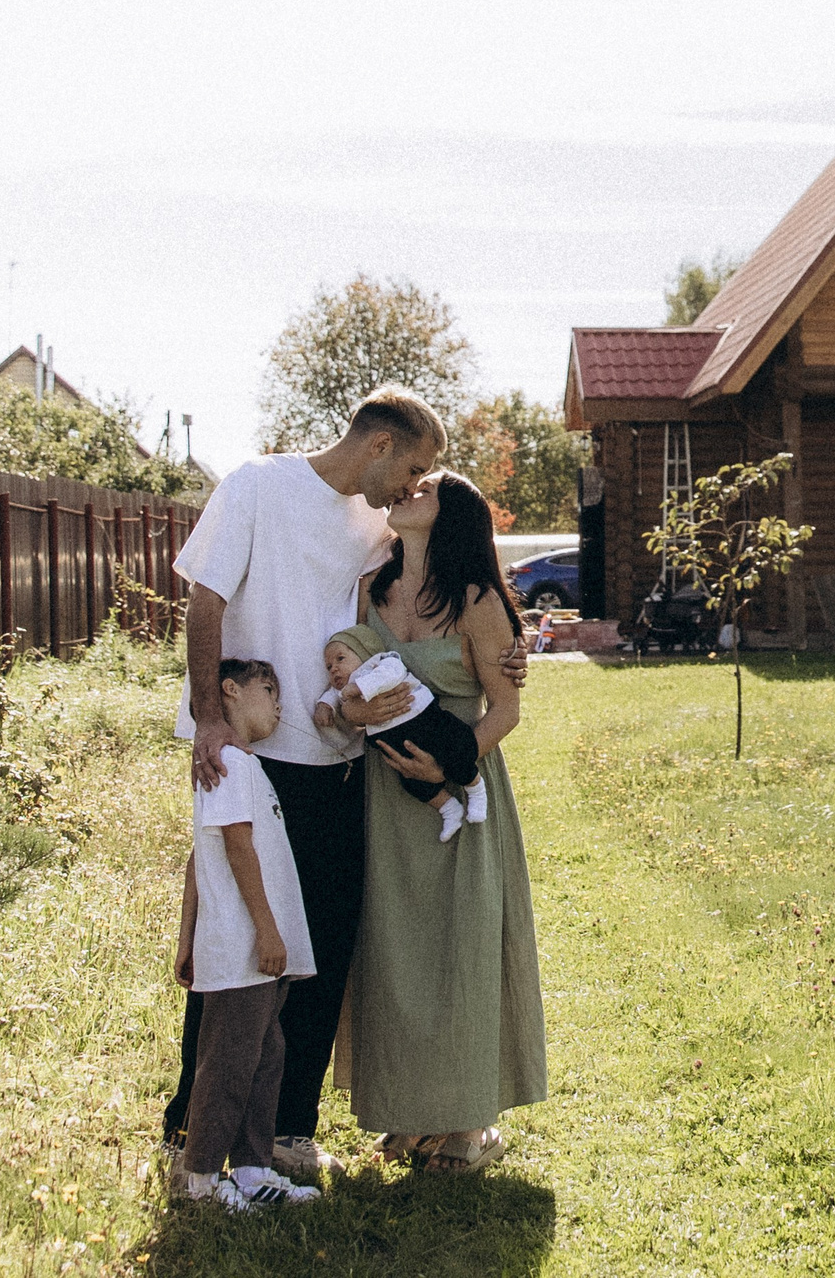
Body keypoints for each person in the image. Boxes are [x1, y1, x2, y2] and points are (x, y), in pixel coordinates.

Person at [162, 386, 529, 1177]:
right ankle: (191, 1125)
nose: (413, 486)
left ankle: (288, 1129)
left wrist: (507, 649)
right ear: (380, 445)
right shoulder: (257, 486)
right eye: (415, 467)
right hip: (252, 754)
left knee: (322, 948)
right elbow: (204, 601)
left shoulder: (376, 523)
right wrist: (210, 718)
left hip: (342, 759)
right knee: (235, 942)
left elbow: (445, 587)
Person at [342, 470, 547, 1174]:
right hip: (384, 796)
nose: (408, 489)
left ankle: (468, 1124)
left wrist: (447, 766)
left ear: (454, 512)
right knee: (395, 953)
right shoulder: (371, 590)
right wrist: (353, 712)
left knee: (460, 952)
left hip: (461, 789)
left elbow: (506, 710)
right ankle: (409, 1111)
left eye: (425, 485)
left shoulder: (476, 600)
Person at [171, 660, 321, 1211]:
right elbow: (233, 847)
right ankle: (200, 1179)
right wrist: (267, 932)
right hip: (244, 947)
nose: (279, 703)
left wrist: (185, 938)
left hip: (255, 951)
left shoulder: (245, 765)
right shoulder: (227, 762)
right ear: (229, 691)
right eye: (268, 689)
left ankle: (253, 1171)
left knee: (266, 1055)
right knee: (229, 1064)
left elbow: (198, 857)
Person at [318, 639, 486, 842]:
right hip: (397, 741)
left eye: (340, 658)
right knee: (411, 782)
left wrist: (360, 687)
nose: (334, 669)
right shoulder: (343, 688)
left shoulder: (380, 663)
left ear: (363, 651)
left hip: (424, 720)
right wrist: (324, 706)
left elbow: (392, 674)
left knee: (455, 751)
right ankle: (449, 809)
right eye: (329, 666)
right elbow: (332, 695)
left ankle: (475, 789)